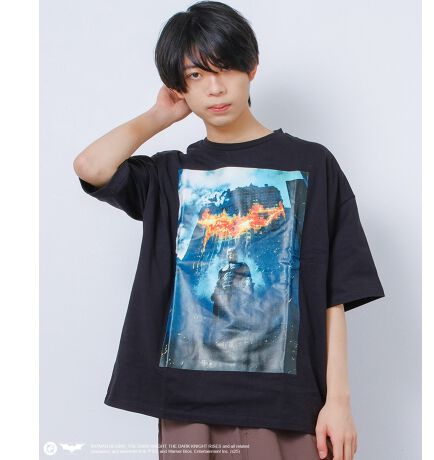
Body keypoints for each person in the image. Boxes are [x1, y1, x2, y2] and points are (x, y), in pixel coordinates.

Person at [73, 2, 385, 459]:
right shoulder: (170, 175)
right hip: (187, 405)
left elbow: (333, 295)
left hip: (285, 406)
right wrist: (159, 116)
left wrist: (338, 403)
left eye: (225, 69)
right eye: (196, 75)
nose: (214, 88)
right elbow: (91, 166)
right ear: (180, 86)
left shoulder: (312, 164)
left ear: (252, 68)